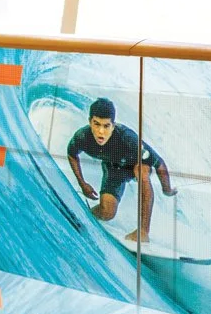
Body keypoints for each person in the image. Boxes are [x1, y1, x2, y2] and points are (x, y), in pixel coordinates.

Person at [66, 97, 176, 243]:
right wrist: (82, 183)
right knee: (107, 213)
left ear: (113, 125)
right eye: (96, 124)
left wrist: (166, 189)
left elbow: (159, 163)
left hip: (136, 165)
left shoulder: (128, 139)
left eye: (106, 126)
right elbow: (72, 154)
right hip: (114, 169)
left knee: (141, 171)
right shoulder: (83, 137)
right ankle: (86, 216)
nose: (101, 132)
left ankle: (143, 232)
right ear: (89, 122)